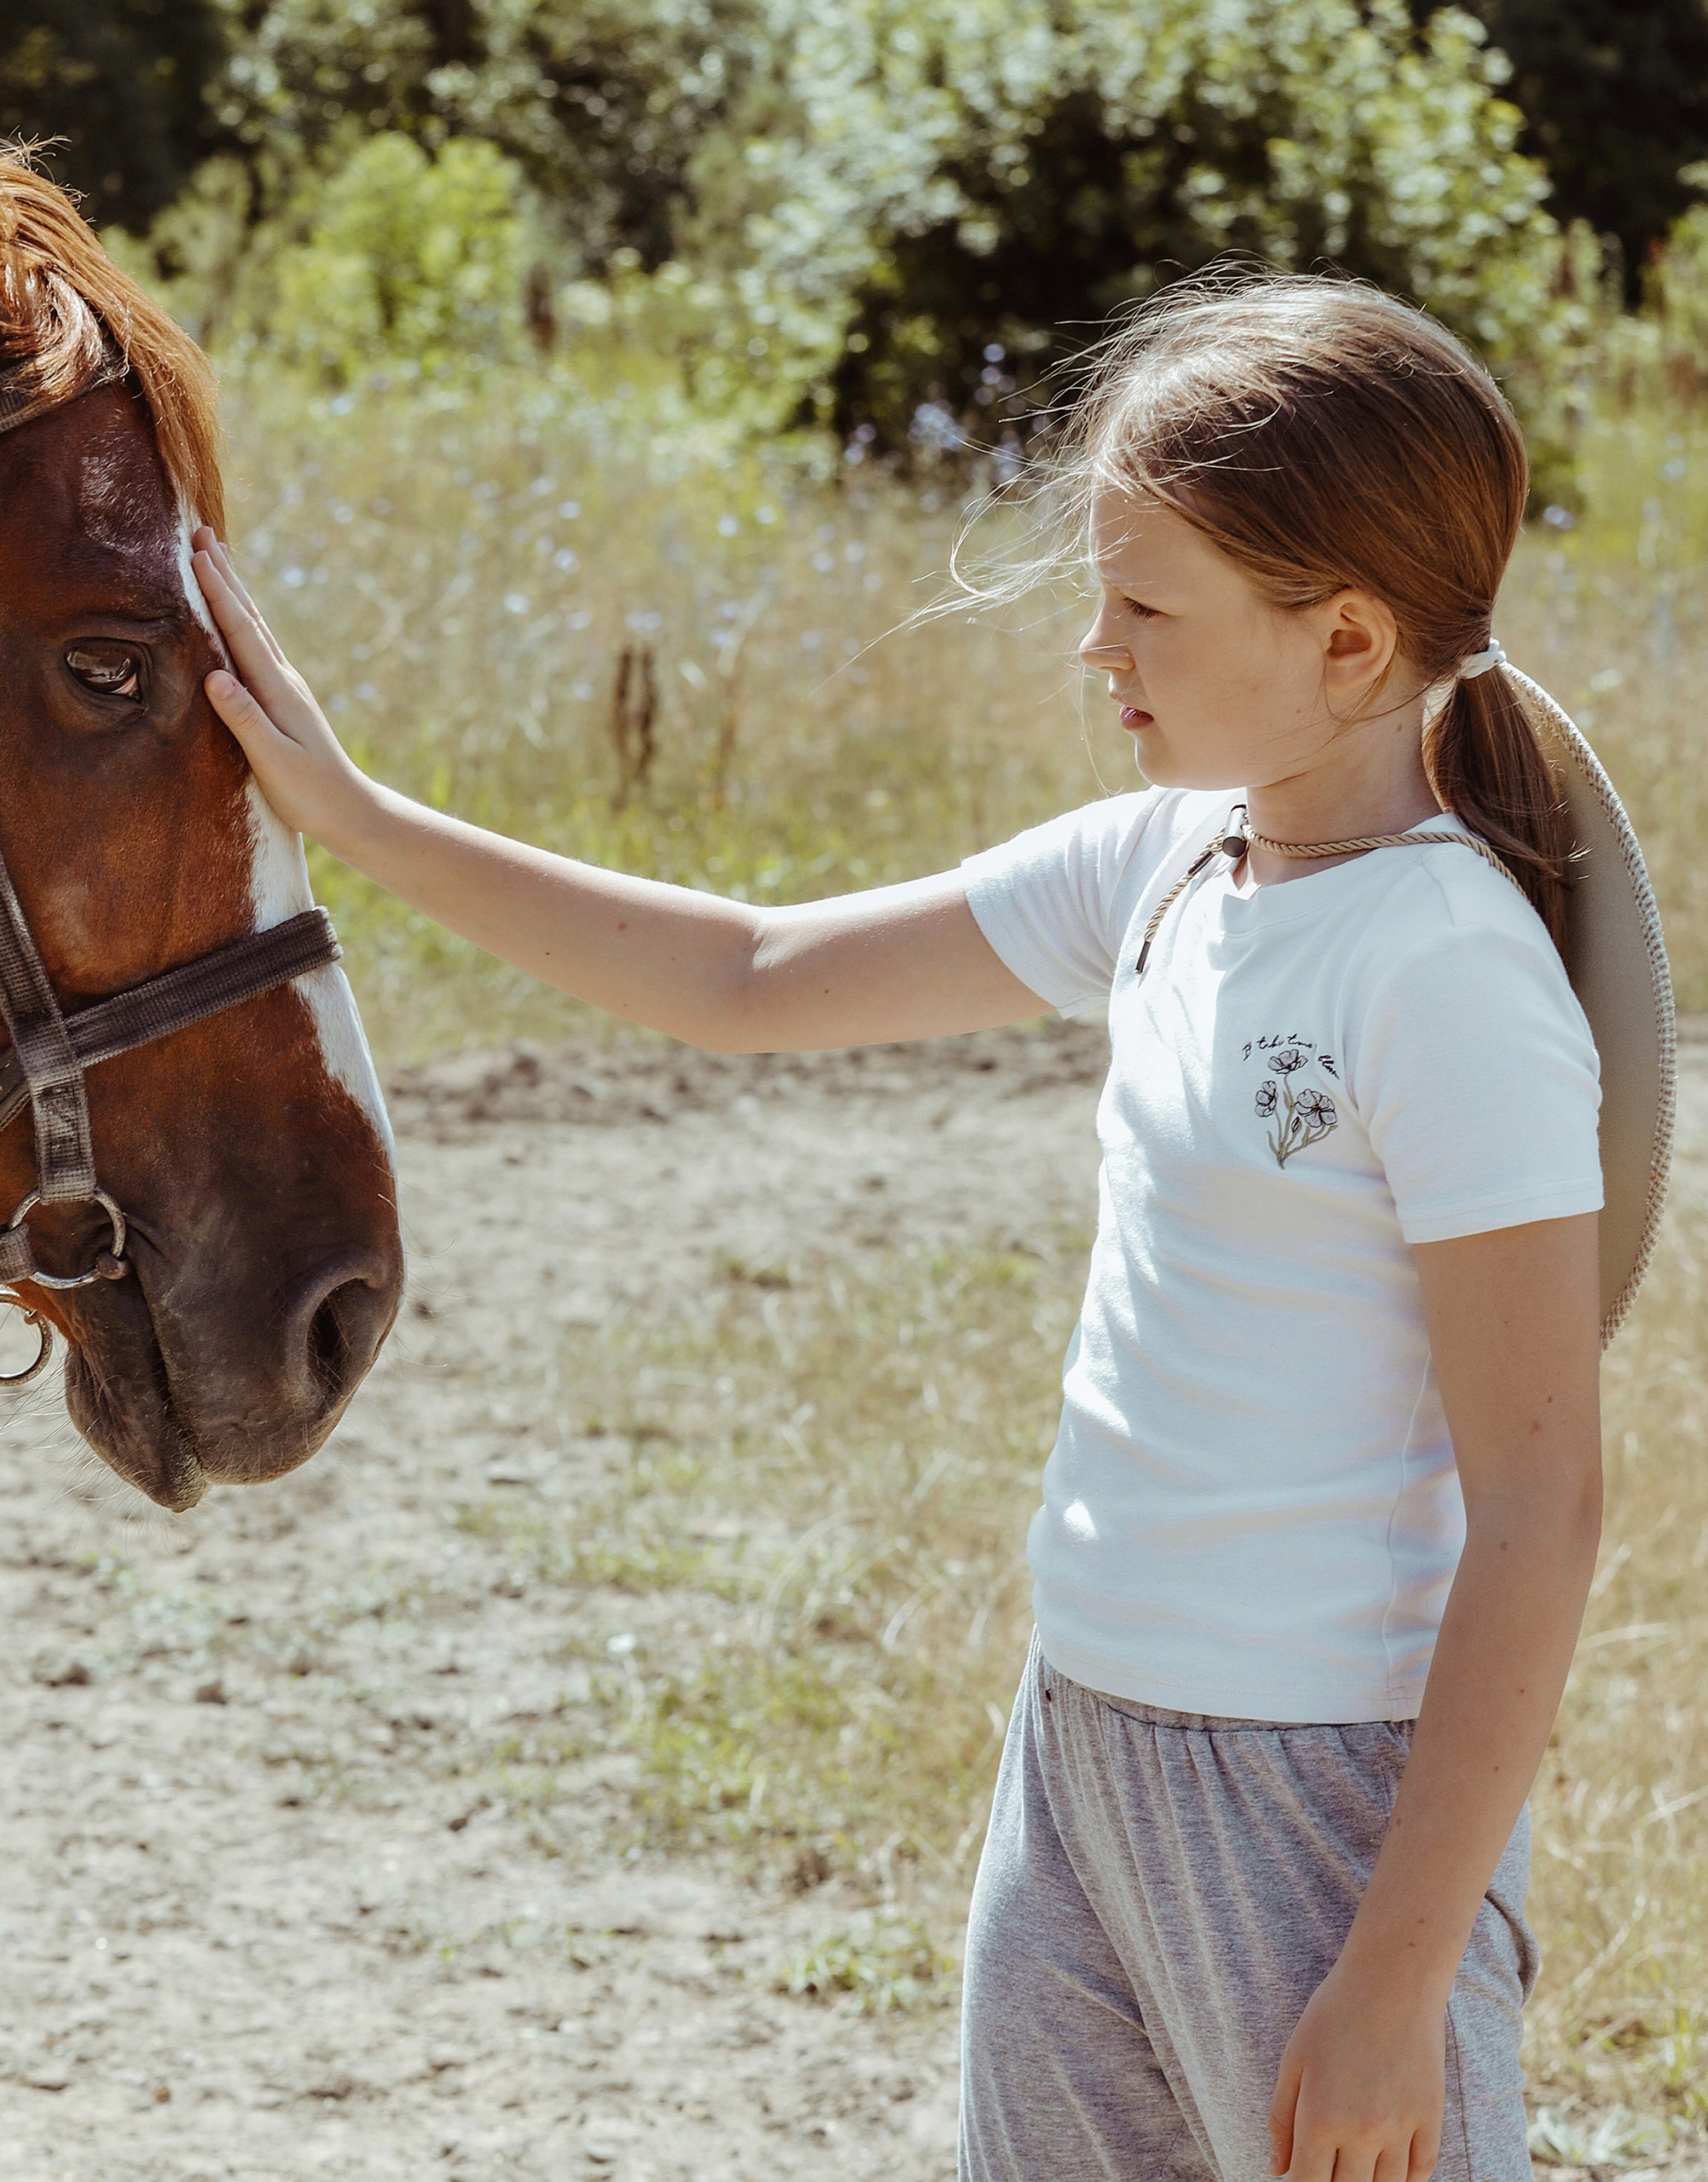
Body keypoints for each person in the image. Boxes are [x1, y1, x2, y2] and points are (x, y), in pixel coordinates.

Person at [190, 273, 1602, 2182]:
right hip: (1084, 1732)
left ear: (1343, 637)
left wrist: (1394, 1975)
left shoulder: (1441, 968)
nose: (1094, 644)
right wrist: (354, 818)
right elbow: (754, 970)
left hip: (1316, 1796)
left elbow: (1539, 1504)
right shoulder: (1170, 855)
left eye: (1144, 606)